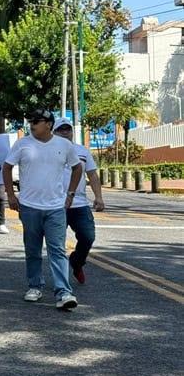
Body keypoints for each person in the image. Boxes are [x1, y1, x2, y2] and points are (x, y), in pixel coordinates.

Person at [2, 109, 83, 311]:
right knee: (33, 249)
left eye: (36, 121)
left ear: (48, 124)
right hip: (29, 206)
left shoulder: (64, 145)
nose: (32, 125)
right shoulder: (22, 144)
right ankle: (34, 286)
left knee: (57, 250)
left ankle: (63, 292)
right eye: (30, 121)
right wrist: (11, 196)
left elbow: (77, 167)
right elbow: (6, 167)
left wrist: (70, 194)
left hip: (56, 207)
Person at [52, 118, 105, 284]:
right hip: (56, 204)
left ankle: (77, 261)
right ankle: (61, 282)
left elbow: (92, 175)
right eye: (61, 130)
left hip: (79, 203)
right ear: (54, 132)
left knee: (88, 237)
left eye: (68, 129)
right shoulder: (48, 151)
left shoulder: (82, 151)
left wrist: (98, 197)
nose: (65, 132)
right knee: (57, 244)